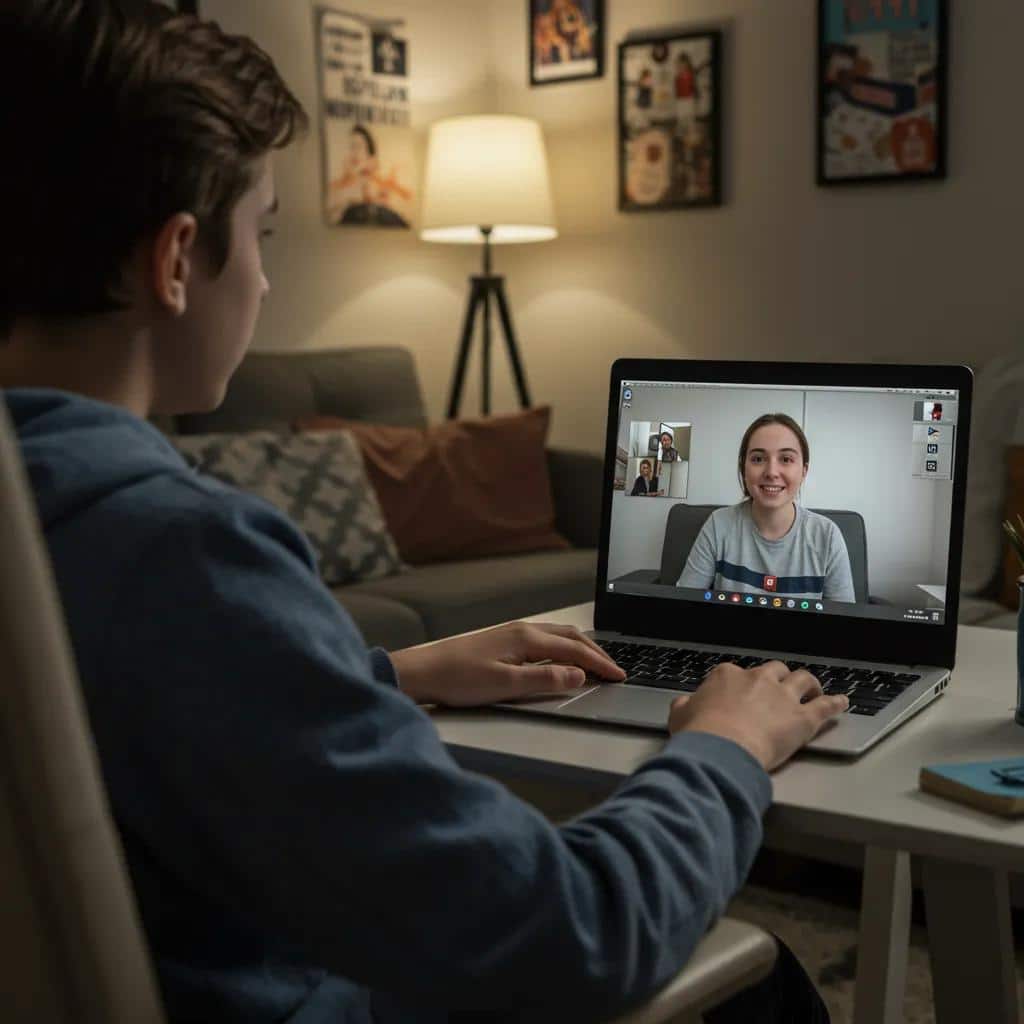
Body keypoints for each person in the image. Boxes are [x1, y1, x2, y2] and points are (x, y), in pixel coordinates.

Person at [0, 4, 845, 1022]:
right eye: (263, 236)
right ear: (176, 260)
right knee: (763, 984)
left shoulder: (54, 523)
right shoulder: (182, 547)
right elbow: (573, 932)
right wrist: (722, 748)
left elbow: (115, 705)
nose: (266, 278)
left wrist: (387, 673)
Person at [677, 413, 856, 603]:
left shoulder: (827, 536)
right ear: (743, 468)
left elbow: (843, 618)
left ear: (804, 471)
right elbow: (683, 602)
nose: (771, 472)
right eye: (757, 459)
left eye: (786, 459)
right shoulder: (718, 525)